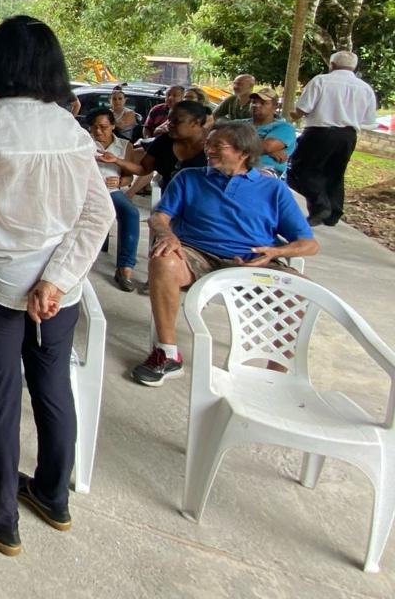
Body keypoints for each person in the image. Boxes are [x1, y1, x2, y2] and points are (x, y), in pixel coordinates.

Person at [0, 15, 113, 557]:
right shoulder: (72, 130)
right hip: (59, 293)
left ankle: (1, 516)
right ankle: (53, 497)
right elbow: (98, 215)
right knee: (52, 386)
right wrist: (56, 279)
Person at [131, 121, 318, 386]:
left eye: (218, 146)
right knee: (163, 260)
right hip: (197, 255)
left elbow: (308, 244)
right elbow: (159, 217)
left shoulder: (273, 189)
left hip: (252, 261)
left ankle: (276, 374)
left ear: (243, 152)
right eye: (208, 144)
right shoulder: (189, 178)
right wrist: (167, 234)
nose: (208, 150)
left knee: (301, 291)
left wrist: (275, 252)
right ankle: (168, 353)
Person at [288, 50, 378, 226]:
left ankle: (320, 206)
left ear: (332, 65)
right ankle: (333, 214)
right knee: (335, 173)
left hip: (320, 132)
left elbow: (302, 109)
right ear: (354, 67)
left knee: (302, 168)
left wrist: (292, 115)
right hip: (348, 136)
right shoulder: (365, 89)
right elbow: (368, 121)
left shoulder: (321, 81)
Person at [109, 100, 210, 199]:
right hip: (170, 201)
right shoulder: (164, 141)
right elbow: (144, 169)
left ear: (195, 123)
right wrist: (116, 160)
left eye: (176, 121)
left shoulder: (213, 146)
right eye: (169, 120)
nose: (169, 124)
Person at [85, 107, 140, 292]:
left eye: (103, 127)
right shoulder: (85, 143)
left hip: (111, 191)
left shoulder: (124, 145)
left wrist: (120, 181)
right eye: (94, 127)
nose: (98, 131)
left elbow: (129, 176)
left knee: (131, 213)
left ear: (113, 126)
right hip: (87, 191)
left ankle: (125, 269)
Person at [247, 87, 295, 176]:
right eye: (254, 102)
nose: (256, 105)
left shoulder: (284, 127)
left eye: (263, 103)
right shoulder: (238, 123)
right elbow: (219, 140)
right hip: (236, 166)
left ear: (275, 107)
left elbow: (266, 147)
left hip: (266, 169)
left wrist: (235, 142)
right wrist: (270, 151)